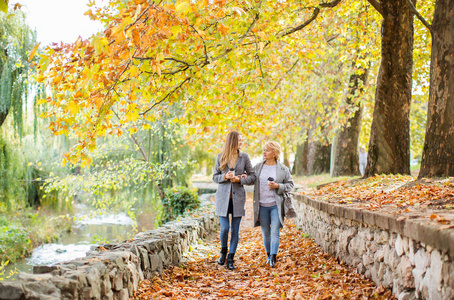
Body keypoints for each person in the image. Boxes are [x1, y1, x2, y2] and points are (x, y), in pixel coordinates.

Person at [212, 131, 255, 270]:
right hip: (223, 199)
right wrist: (225, 177)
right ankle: (223, 252)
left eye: (242, 140)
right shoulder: (220, 156)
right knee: (225, 228)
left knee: (235, 230)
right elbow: (214, 177)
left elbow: (253, 177)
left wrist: (240, 179)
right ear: (232, 141)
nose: (241, 142)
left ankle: (231, 258)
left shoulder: (244, 157)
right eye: (239, 140)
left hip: (238, 199)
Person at [251, 141, 294, 267]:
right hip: (261, 205)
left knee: (275, 231)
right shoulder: (258, 167)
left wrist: (278, 186)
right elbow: (251, 179)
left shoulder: (282, 169)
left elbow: (290, 185)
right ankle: (268, 254)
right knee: (265, 232)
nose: (264, 152)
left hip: (276, 205)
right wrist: (242, 177)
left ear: (274, 153)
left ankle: (273, 257)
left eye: (267, 150)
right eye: (264, 150)